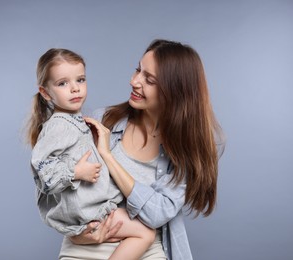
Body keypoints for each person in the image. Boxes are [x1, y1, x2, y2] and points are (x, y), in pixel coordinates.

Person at [60, 39, 225, 260]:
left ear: (174, 91)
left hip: (145, 248)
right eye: (138, 69)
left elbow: (157, 214)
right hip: (88, 242)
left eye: (149, 79)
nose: (134, 81)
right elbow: (62, 190)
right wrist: (78, 234)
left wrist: (108, 157)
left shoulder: (185, 150)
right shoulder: (102, 121)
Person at [27, 48, 157, 260]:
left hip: (93, 207)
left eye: (80, 80)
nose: (75, 89)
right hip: (89, 213)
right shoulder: (59, 127)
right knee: (145, 233)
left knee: (144, 232)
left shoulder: (77, 121)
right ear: (45, 93)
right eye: (63, 83)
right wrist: (75, 172)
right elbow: (42, 170)